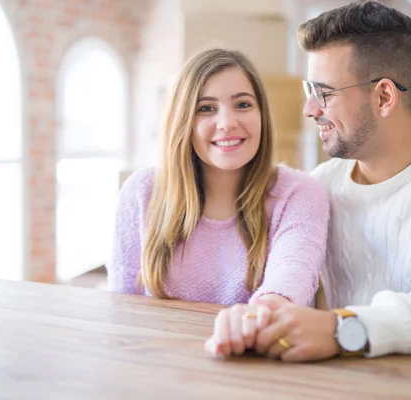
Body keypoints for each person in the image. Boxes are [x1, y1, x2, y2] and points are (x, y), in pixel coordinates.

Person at [206, 1, 411, 362]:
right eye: (309, 91)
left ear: (384, 97)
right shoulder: (318, 188)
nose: (310, 109)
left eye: (323, 92)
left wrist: (343, 329)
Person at [106, 48, 330, 349]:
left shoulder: (300, 193)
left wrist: (259, 317)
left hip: (253, 365)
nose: (227, 122)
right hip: (157, 362)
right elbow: (122, 307)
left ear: (261, 113)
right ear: (183, 120)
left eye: (242, 104)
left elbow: (290, 278)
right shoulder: (141, 192)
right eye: (206, 109)